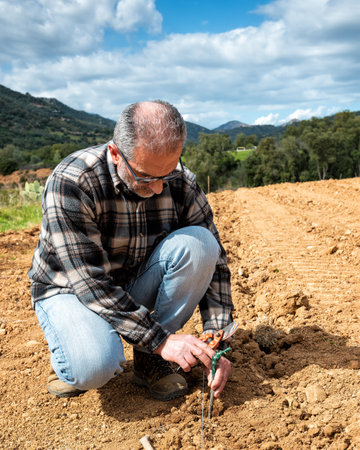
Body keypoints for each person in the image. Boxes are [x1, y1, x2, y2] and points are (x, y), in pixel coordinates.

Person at [28, 100, 233, 401]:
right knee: (93, 367)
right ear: (115, 153)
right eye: (147, 177)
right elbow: (92, 284)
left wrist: (216, 339)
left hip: (133, 280)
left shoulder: (179, 179)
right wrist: (161, 340)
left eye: (166, 174)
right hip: (71, 290)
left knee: (201, 244)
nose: (160, 187)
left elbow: (214, 265)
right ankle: (76, 355)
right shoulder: (72, 182)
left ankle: (150, 359)